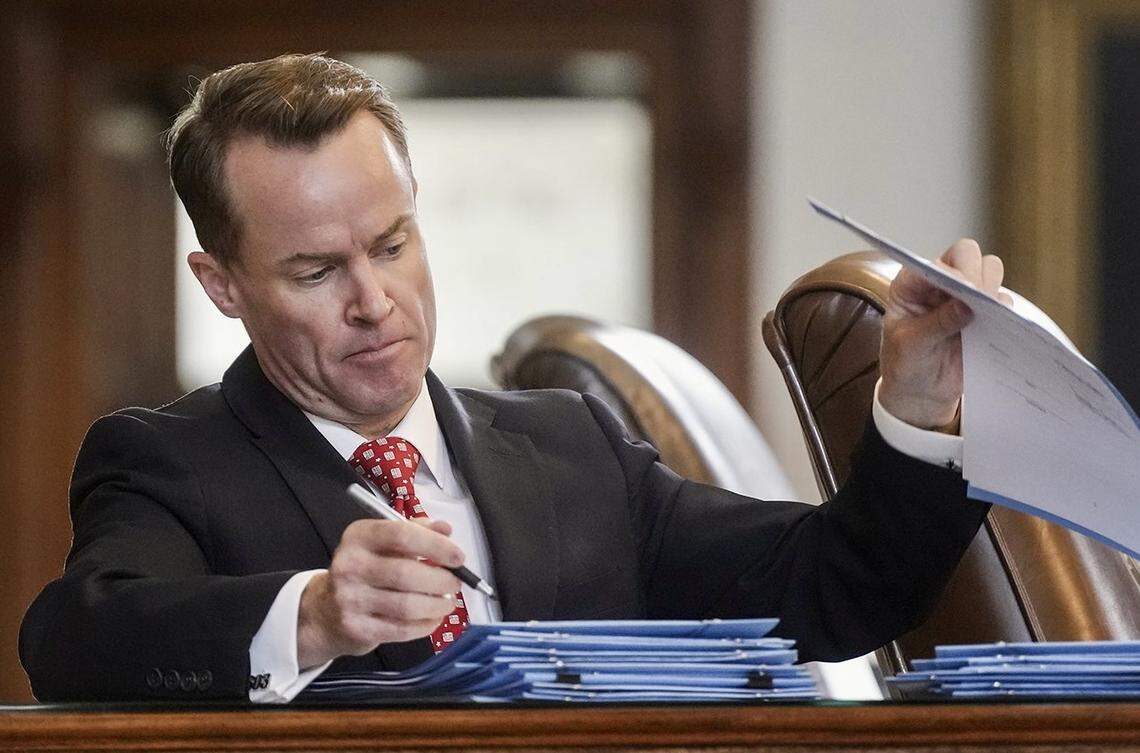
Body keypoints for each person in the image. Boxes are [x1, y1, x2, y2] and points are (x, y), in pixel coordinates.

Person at [19, 54, 1009, 703]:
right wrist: (313, 616)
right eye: (316, 272)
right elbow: (72, 641)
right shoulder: (169, 464)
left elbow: (840, 585)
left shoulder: (572, 445)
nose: (375, 301)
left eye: (392, 244)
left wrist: (918, 406)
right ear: (223, 285)